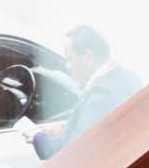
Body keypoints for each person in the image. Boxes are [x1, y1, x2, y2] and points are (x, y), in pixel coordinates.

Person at [29, 26, 141, 159]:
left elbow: (73, 154)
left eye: (70, 59)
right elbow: (96, 127)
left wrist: (38, 138)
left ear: (88, 57)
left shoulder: (100, 96)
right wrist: (64, 130)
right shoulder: (128, 78)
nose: (67, 66)